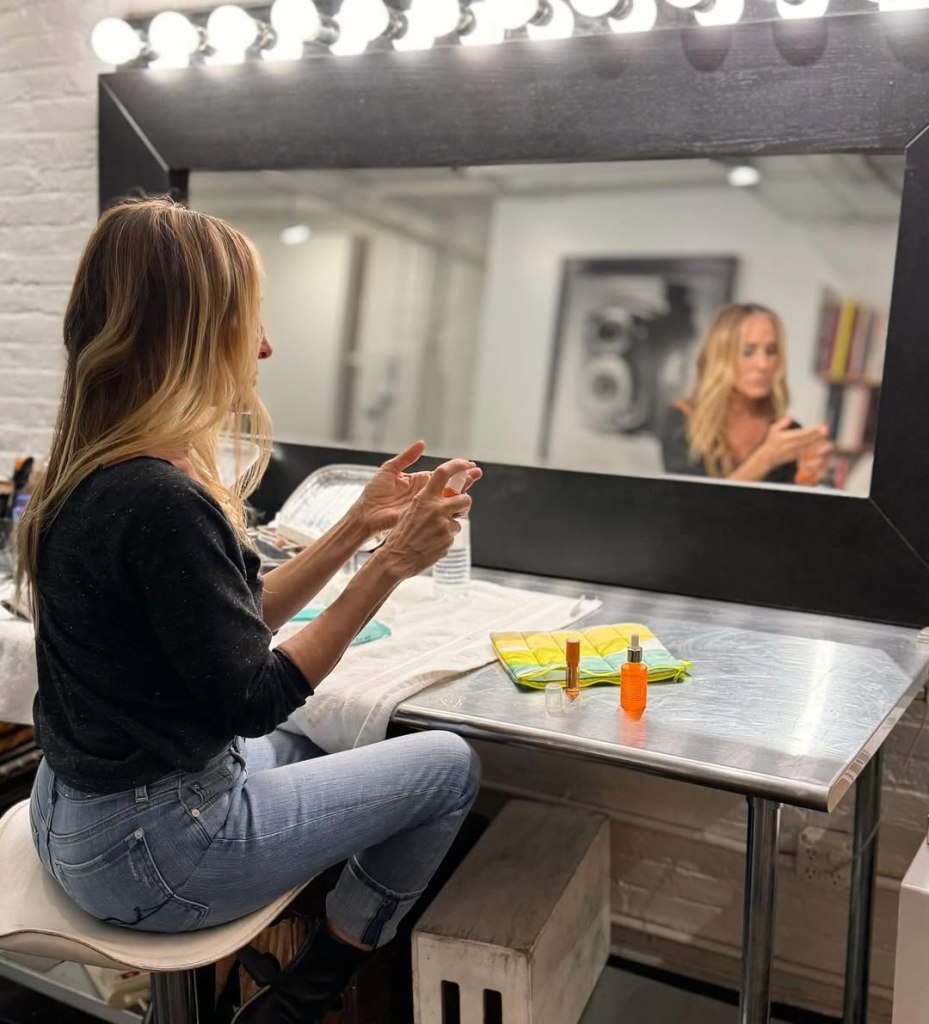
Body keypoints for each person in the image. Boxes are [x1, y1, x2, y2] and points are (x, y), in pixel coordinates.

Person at [16, 197, 482, 1024]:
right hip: (152, 855)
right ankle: (303, 998)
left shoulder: (91, 472)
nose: (264, 345)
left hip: (71, 817)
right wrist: (391, 567)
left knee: (317, 741)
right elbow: (255, 697)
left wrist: (355, 528)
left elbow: (227, 629)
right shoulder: (161, 500)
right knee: (448, 765)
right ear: (188, 333)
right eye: (249, 320)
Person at [660, 302, 833, 484]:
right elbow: (693, 500)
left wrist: (807, 478)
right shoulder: (683, 421)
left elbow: (791, 500)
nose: (763, 364)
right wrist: (765, 459)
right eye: (748, 351)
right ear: (720, 356)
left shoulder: (788, 435)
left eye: (771, 351)